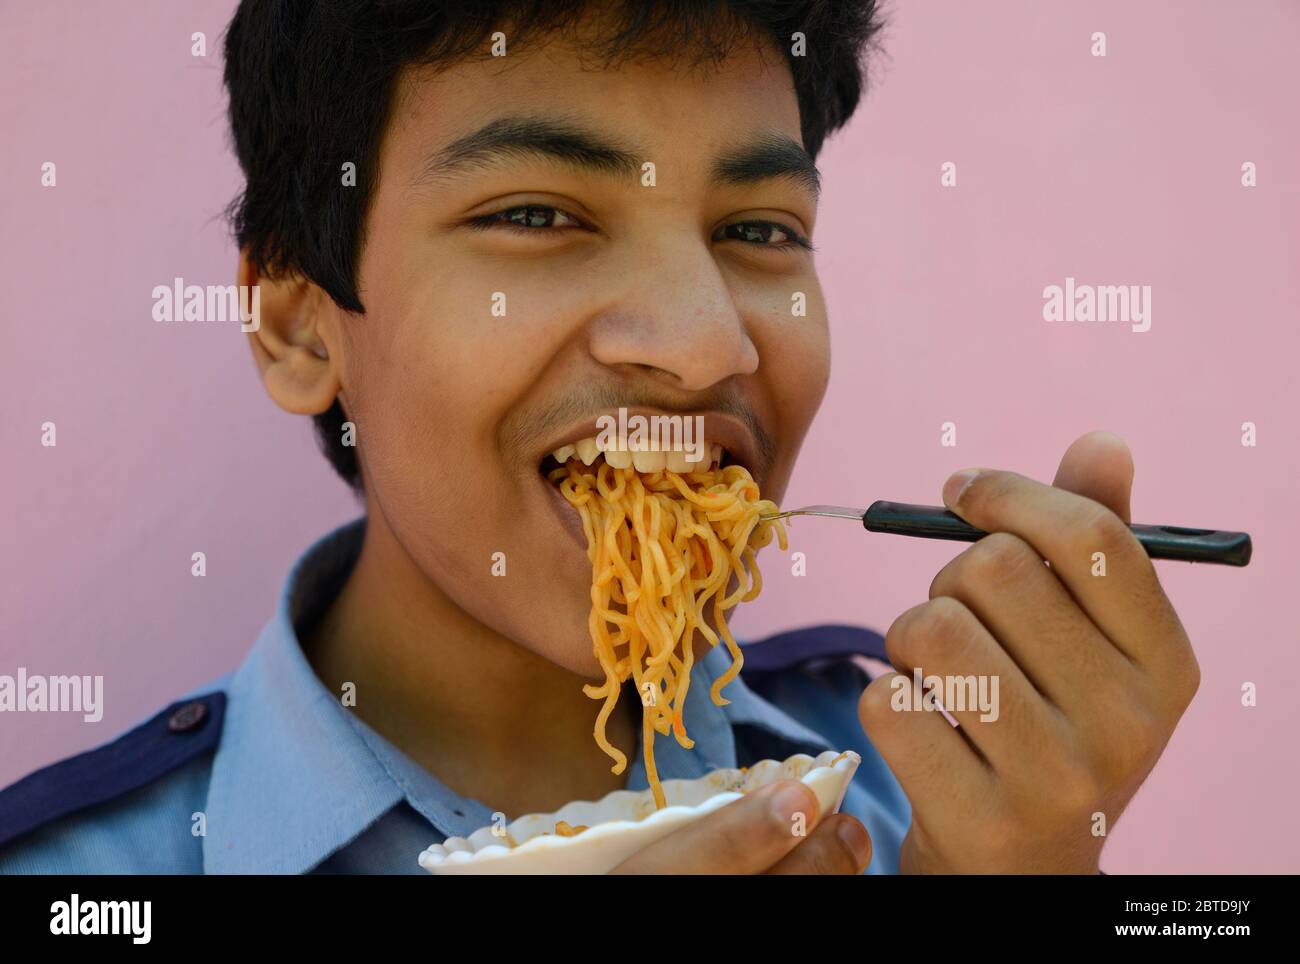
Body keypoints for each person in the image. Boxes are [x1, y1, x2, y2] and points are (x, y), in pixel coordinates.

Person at [0, 0, 1195, 874]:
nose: (702, 341)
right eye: (535, 213)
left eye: (762, 229)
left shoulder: (941, 795)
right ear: (300, 327)